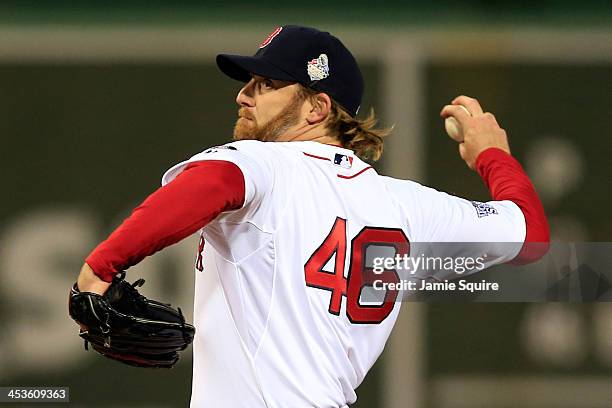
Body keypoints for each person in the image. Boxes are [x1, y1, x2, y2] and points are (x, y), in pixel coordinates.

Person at [74, 25, 549, 407]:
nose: (245, 95)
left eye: (268, 83)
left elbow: (210, 183)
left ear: (318, 107)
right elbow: (530, 238)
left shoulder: (266, 164)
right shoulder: (409, 205)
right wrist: (492, 155)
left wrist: (99, 269)